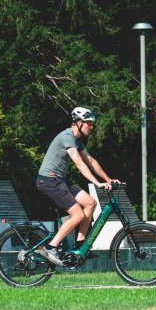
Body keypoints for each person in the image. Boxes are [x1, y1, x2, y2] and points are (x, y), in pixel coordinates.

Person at [35, 107, 119, 267]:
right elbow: (79, 164)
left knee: (90, 203)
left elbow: (90, 160)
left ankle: (80, 246)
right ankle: (50, 247)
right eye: (89, 123)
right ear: (79, 123)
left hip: (59, 180)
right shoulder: (67, 137)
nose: (91, 127)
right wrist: (98, 183)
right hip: (49, 181)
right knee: (78, 215)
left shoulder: (77, 140)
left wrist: (108, 179)